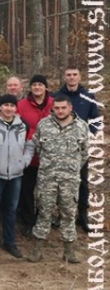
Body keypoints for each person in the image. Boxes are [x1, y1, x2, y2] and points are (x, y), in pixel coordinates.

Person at [28, 95, 89, 263]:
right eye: (57, 108)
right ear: (53, 108)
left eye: (64, 108)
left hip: (69, 180)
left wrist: (71, 167)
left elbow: (84, 153)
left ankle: (68, 250)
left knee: (68, 214)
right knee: (44, 212)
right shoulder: (44, 125)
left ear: (70, 108)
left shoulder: (82, 127)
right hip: (47, 178)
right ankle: (38, 249)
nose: (60, 111)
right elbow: (39, 148)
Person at [0, 94, 33, 260]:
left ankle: (9, 242)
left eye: (12, 105)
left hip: (16, 174)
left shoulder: (23, 124)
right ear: (0, 107)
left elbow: (30, 145)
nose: (9, 108)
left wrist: (24, 162)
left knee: (11, 211)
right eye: (6, 105)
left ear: (15, 108)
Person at [54, 67, 101, 233]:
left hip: (79, 148)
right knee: (61, 182)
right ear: (64, 77)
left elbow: (96, 120)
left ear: (80, 76)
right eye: (68, 75)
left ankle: (82, 214)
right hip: (59, 147)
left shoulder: (88, 96)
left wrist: (87, 137)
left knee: (81, 181)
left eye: (75, 75)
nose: (72, 77)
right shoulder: (57, 96)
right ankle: (62, 214)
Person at [16, 74, 53, 236]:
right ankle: (28, 220)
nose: (37, 87)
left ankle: (44, 218)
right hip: (28, 155)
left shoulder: (54, 104)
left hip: (50, 157)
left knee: (47, 191)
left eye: (40, 84)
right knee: (27, 189)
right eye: (34, 85)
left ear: (45, 87)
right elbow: (17, 125)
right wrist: (34, 135)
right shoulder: (22, 105)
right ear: (30, 88)